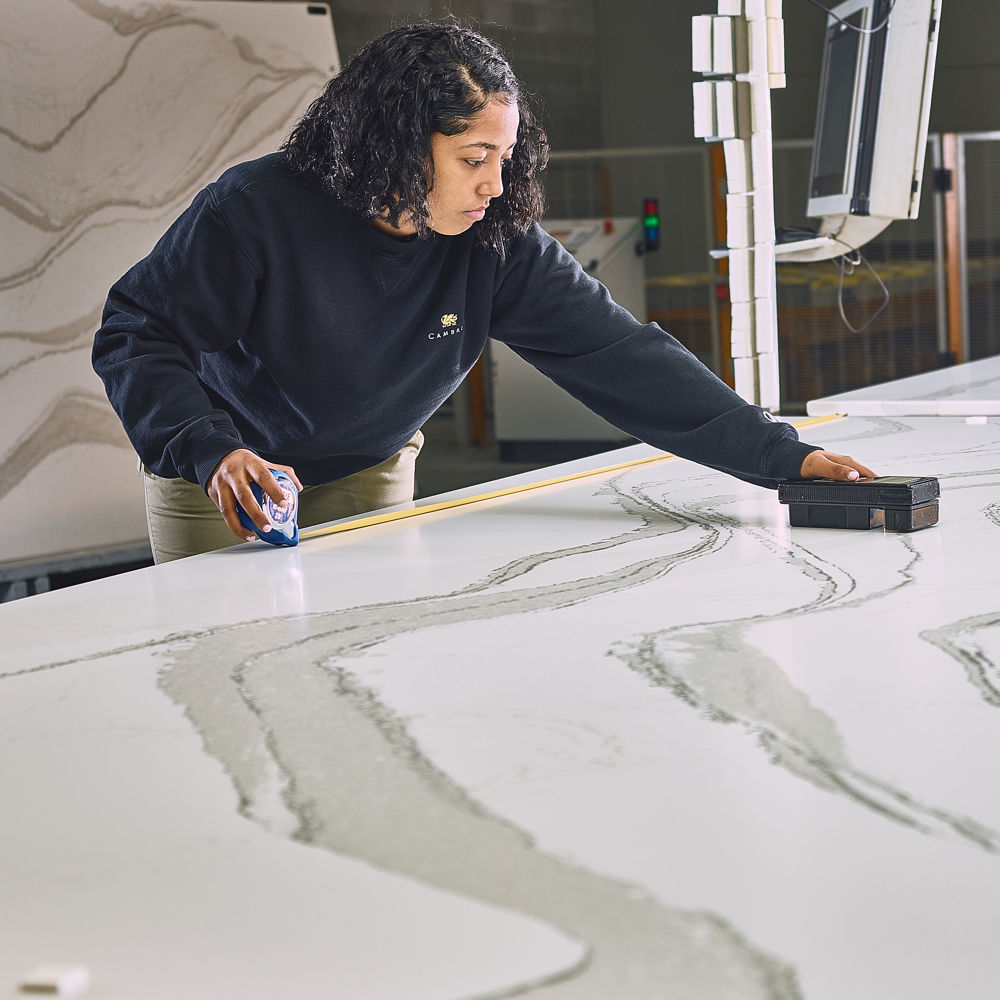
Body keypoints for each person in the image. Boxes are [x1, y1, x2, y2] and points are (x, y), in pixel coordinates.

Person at [92, 20, 874, 564]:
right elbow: (138, 332)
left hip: (371, 468)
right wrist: (210, 449)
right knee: (227, 676)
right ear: (395, 145)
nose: (496, 186)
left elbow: (625, 358)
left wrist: (783, 458)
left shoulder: (495, 241)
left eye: (505, 156)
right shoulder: (255, 211)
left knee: (357, 676)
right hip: (233, 476)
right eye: (473, 158)